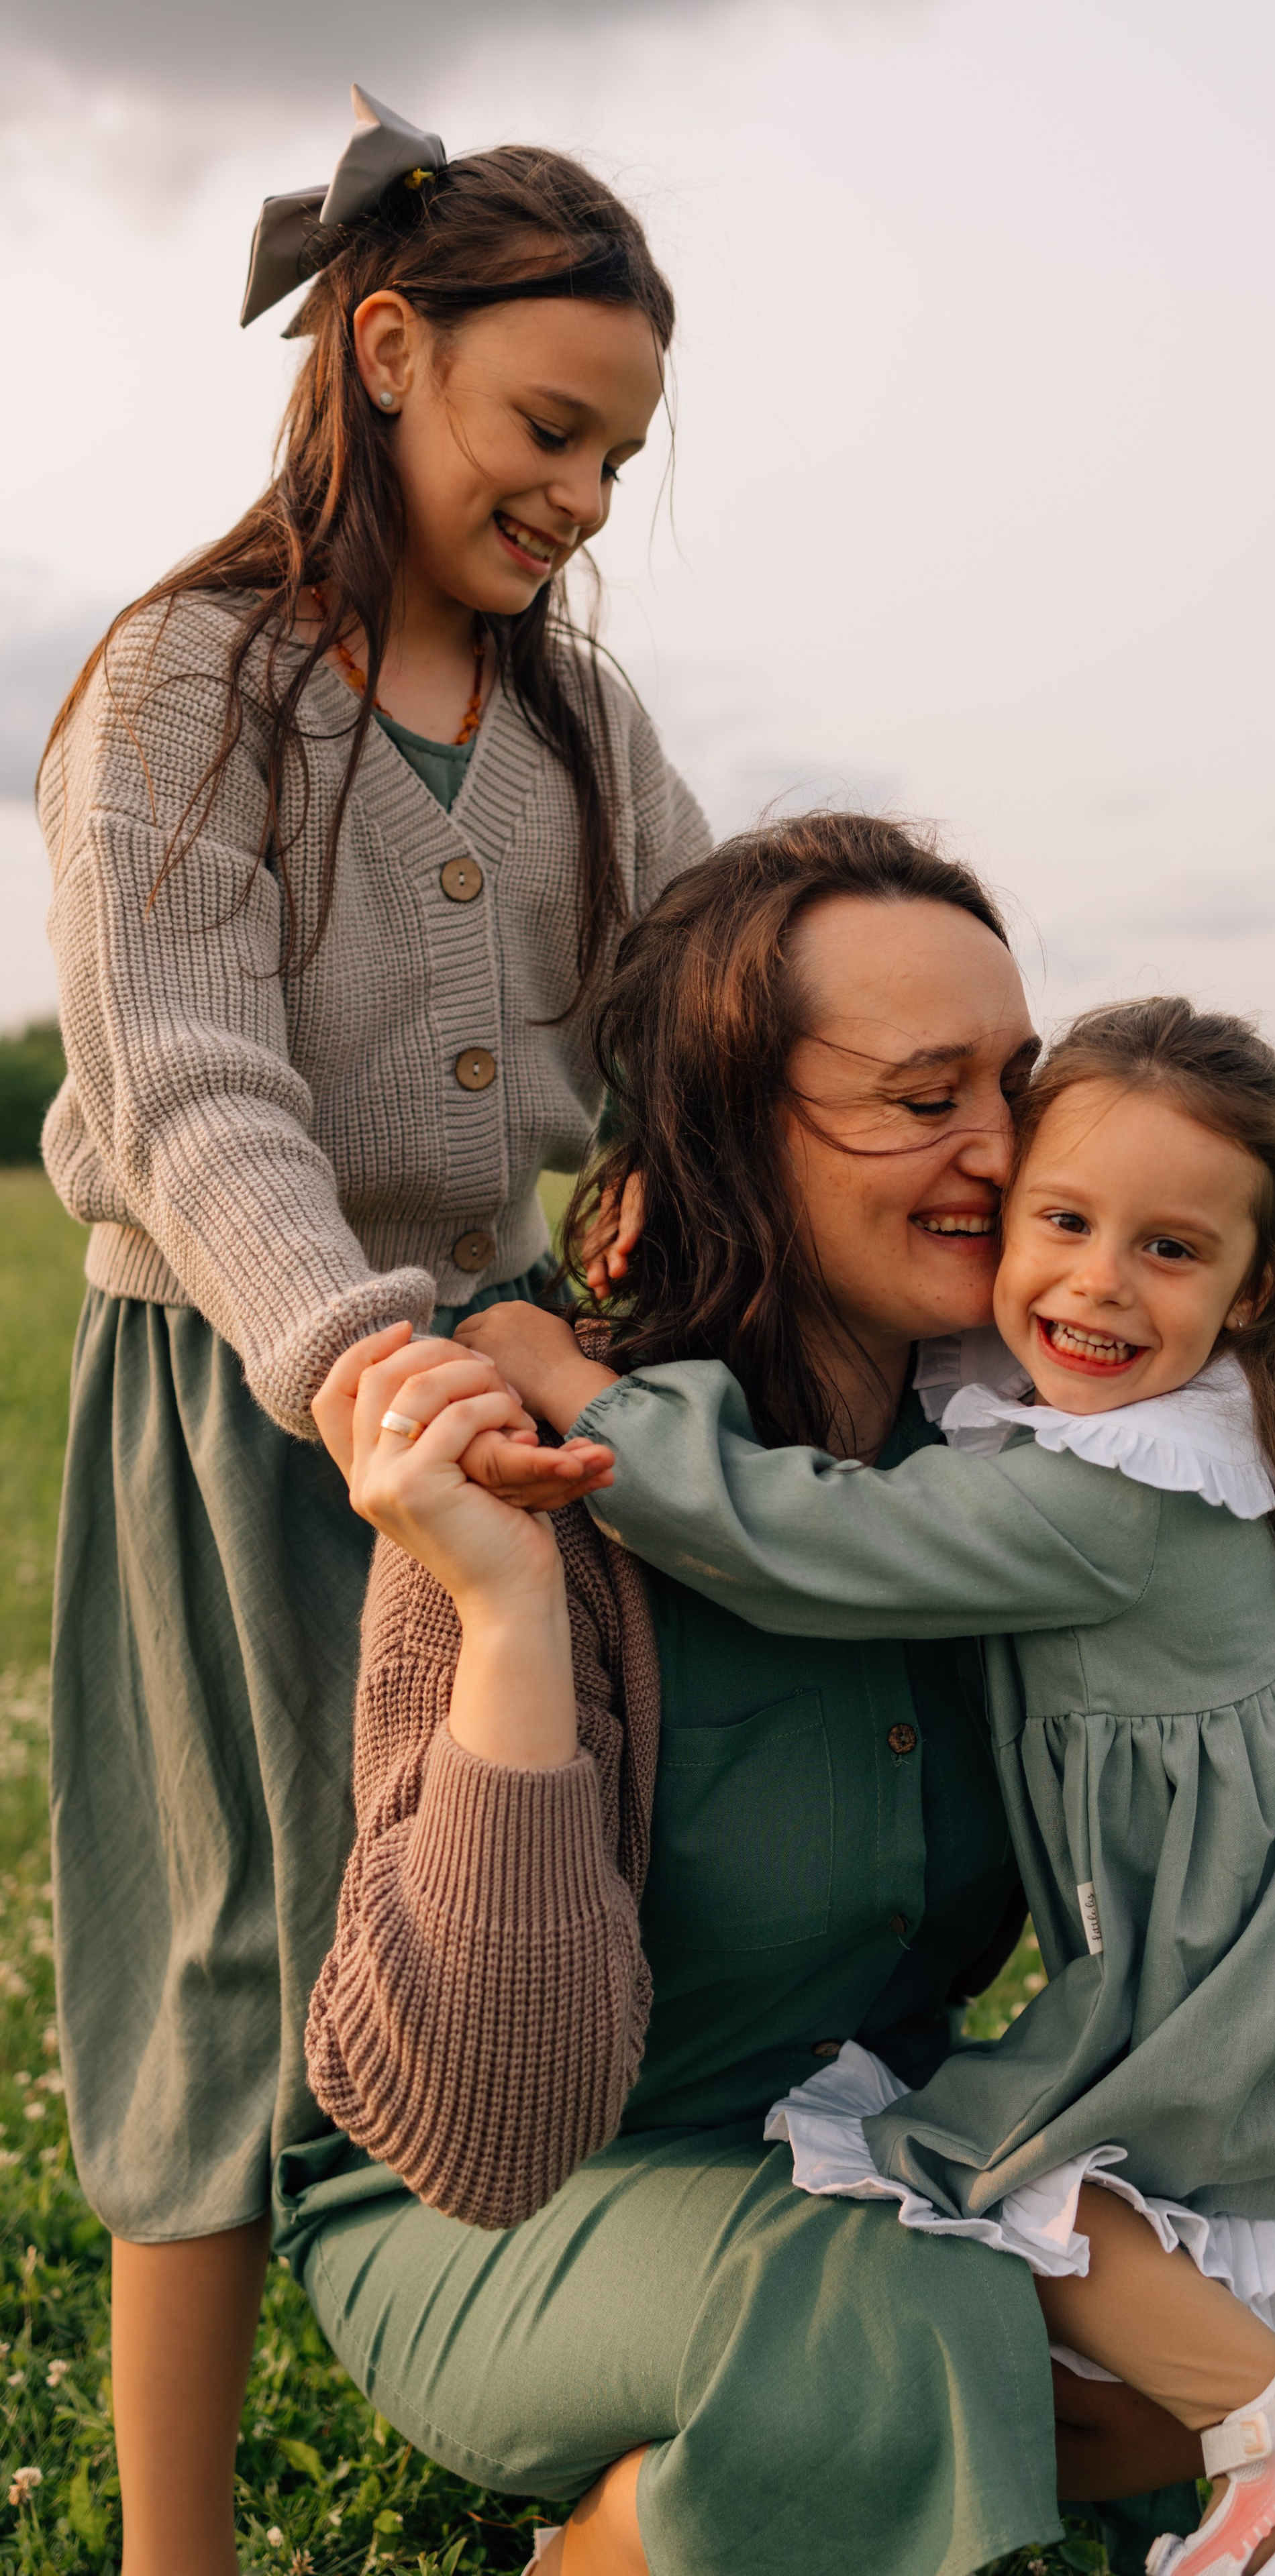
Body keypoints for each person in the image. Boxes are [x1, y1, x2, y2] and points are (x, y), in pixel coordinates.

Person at [464, 995, 1275, 2575]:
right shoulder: (1132, 1413)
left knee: (978, 2166)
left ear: (1251, 1286)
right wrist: (673, 1187)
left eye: (1167, 1252)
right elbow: (944, 1328)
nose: (1096, 1283)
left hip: (1243, 1998)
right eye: (1061, 1221)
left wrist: (573, 1384)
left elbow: (809, 1535)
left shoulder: (1112, 1495)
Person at [39, 85, 705, 2575]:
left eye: (626, 457)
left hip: (515, 1393)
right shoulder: (184, 691)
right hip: (243, 1403)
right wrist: (353, 1368)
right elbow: (187, 1084)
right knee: (236, 1951)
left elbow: (696, 1024)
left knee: (534, 1894)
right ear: (389, 349)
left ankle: (595, 2410)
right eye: (553, 432)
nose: (586, 500)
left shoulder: (580, 730)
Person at [303, 816, 1218, 2576]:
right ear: (726, 1125)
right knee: (893, 2317)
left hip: (884, 2140)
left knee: (1259, 2317)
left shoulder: (1017, 1466)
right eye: (922, 1091)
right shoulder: (529, 1474)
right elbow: (488, 2131)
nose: (1002, 1147)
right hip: (516, 2204)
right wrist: (501, 1618)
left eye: (1015, 1082)